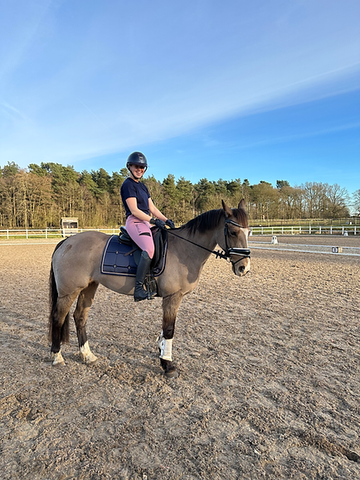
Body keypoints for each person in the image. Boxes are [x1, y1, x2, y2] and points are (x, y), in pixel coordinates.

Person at [120, 152, 175, 302]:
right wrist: (153, 220)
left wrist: (165, 219)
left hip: (145, 222)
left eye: (143, 167)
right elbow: (135, 210)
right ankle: (138, 289)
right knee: (149, 249)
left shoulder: (143, 187)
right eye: (137, 166)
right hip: (135, 222)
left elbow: (152, 207)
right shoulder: (128, 185)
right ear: (130, 167)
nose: (140, 169)